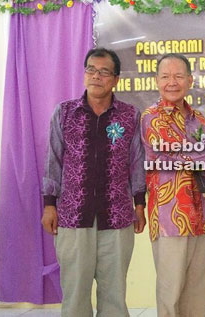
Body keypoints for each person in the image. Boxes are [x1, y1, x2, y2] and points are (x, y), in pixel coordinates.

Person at [41, 47, 146, 317]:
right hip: (73, 215)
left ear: (116, 79)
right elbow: (54, 159)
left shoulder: (129, 115)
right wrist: (49, 205)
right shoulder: (65, 113)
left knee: (114, 295)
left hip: (118, 215)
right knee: (75, 293)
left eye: (103, 72)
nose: (96, 76)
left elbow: (136, 162)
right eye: (90, 69)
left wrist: (139, 204)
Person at [141, 53, 205, 317]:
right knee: (170, 293)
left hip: (204, 216)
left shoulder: (199, 119)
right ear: (156, 81)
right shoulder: (151, 118)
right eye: (165, 76)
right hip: (170, 217)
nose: (172, 82)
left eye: (178, 76)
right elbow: (172, 157)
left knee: (199, 292)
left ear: (190, 80)